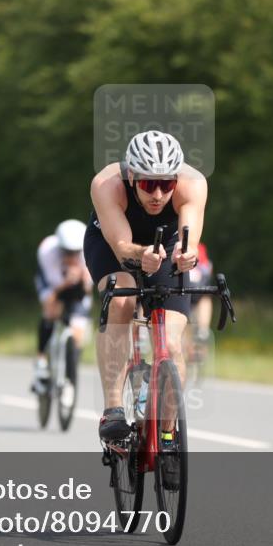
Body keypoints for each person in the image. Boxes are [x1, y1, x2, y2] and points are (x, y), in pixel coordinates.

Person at [85, 130, 207, 441]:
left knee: (172, 341)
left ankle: (167, 438)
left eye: (166, 184)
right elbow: (123, 245)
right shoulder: (107, 184)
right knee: (122, 301)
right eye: (148, 184)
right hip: (113, 244)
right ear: (132, 176)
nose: (157, 194)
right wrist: (141, 255)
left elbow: (189, 236)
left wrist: (186, 253)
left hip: (165, 243)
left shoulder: (193, 183)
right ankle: (112, 409)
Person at [31, 219, 93, 399]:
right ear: (60, 248)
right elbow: (52, 292)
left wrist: (82, 277)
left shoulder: (87, 253)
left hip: (76, 289)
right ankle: (41, 359)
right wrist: (67, 281)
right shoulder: (47, 251)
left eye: (75, 252)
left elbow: (87, 289)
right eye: (67, 252)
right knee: (51, 310)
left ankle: (69, 372)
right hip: (53, 285)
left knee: (78, 333)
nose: (71, 257)